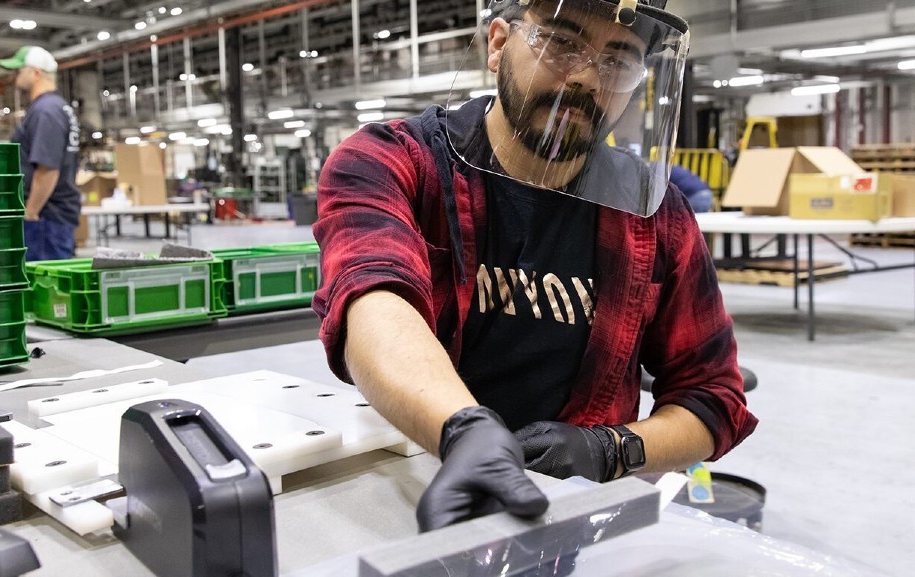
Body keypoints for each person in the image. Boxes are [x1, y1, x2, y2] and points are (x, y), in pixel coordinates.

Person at [313, 0, 757, 533]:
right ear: (499, 44)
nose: (586, 78)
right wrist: (462, 430)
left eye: (617, 62)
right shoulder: (393, 162)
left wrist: (609, 449)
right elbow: (374, 301)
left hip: (572, 516)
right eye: (562, 43)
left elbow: (713, 396)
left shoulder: (656, 214)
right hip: (418, 486)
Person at [0, 46, 82, 261]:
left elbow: (47, 169)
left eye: (19, 70)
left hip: (45, 217)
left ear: (35, 73)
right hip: (51, 216)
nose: (14, 75)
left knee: (45, 288)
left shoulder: (46, 111)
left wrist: (31, 212)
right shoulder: (55, 108)